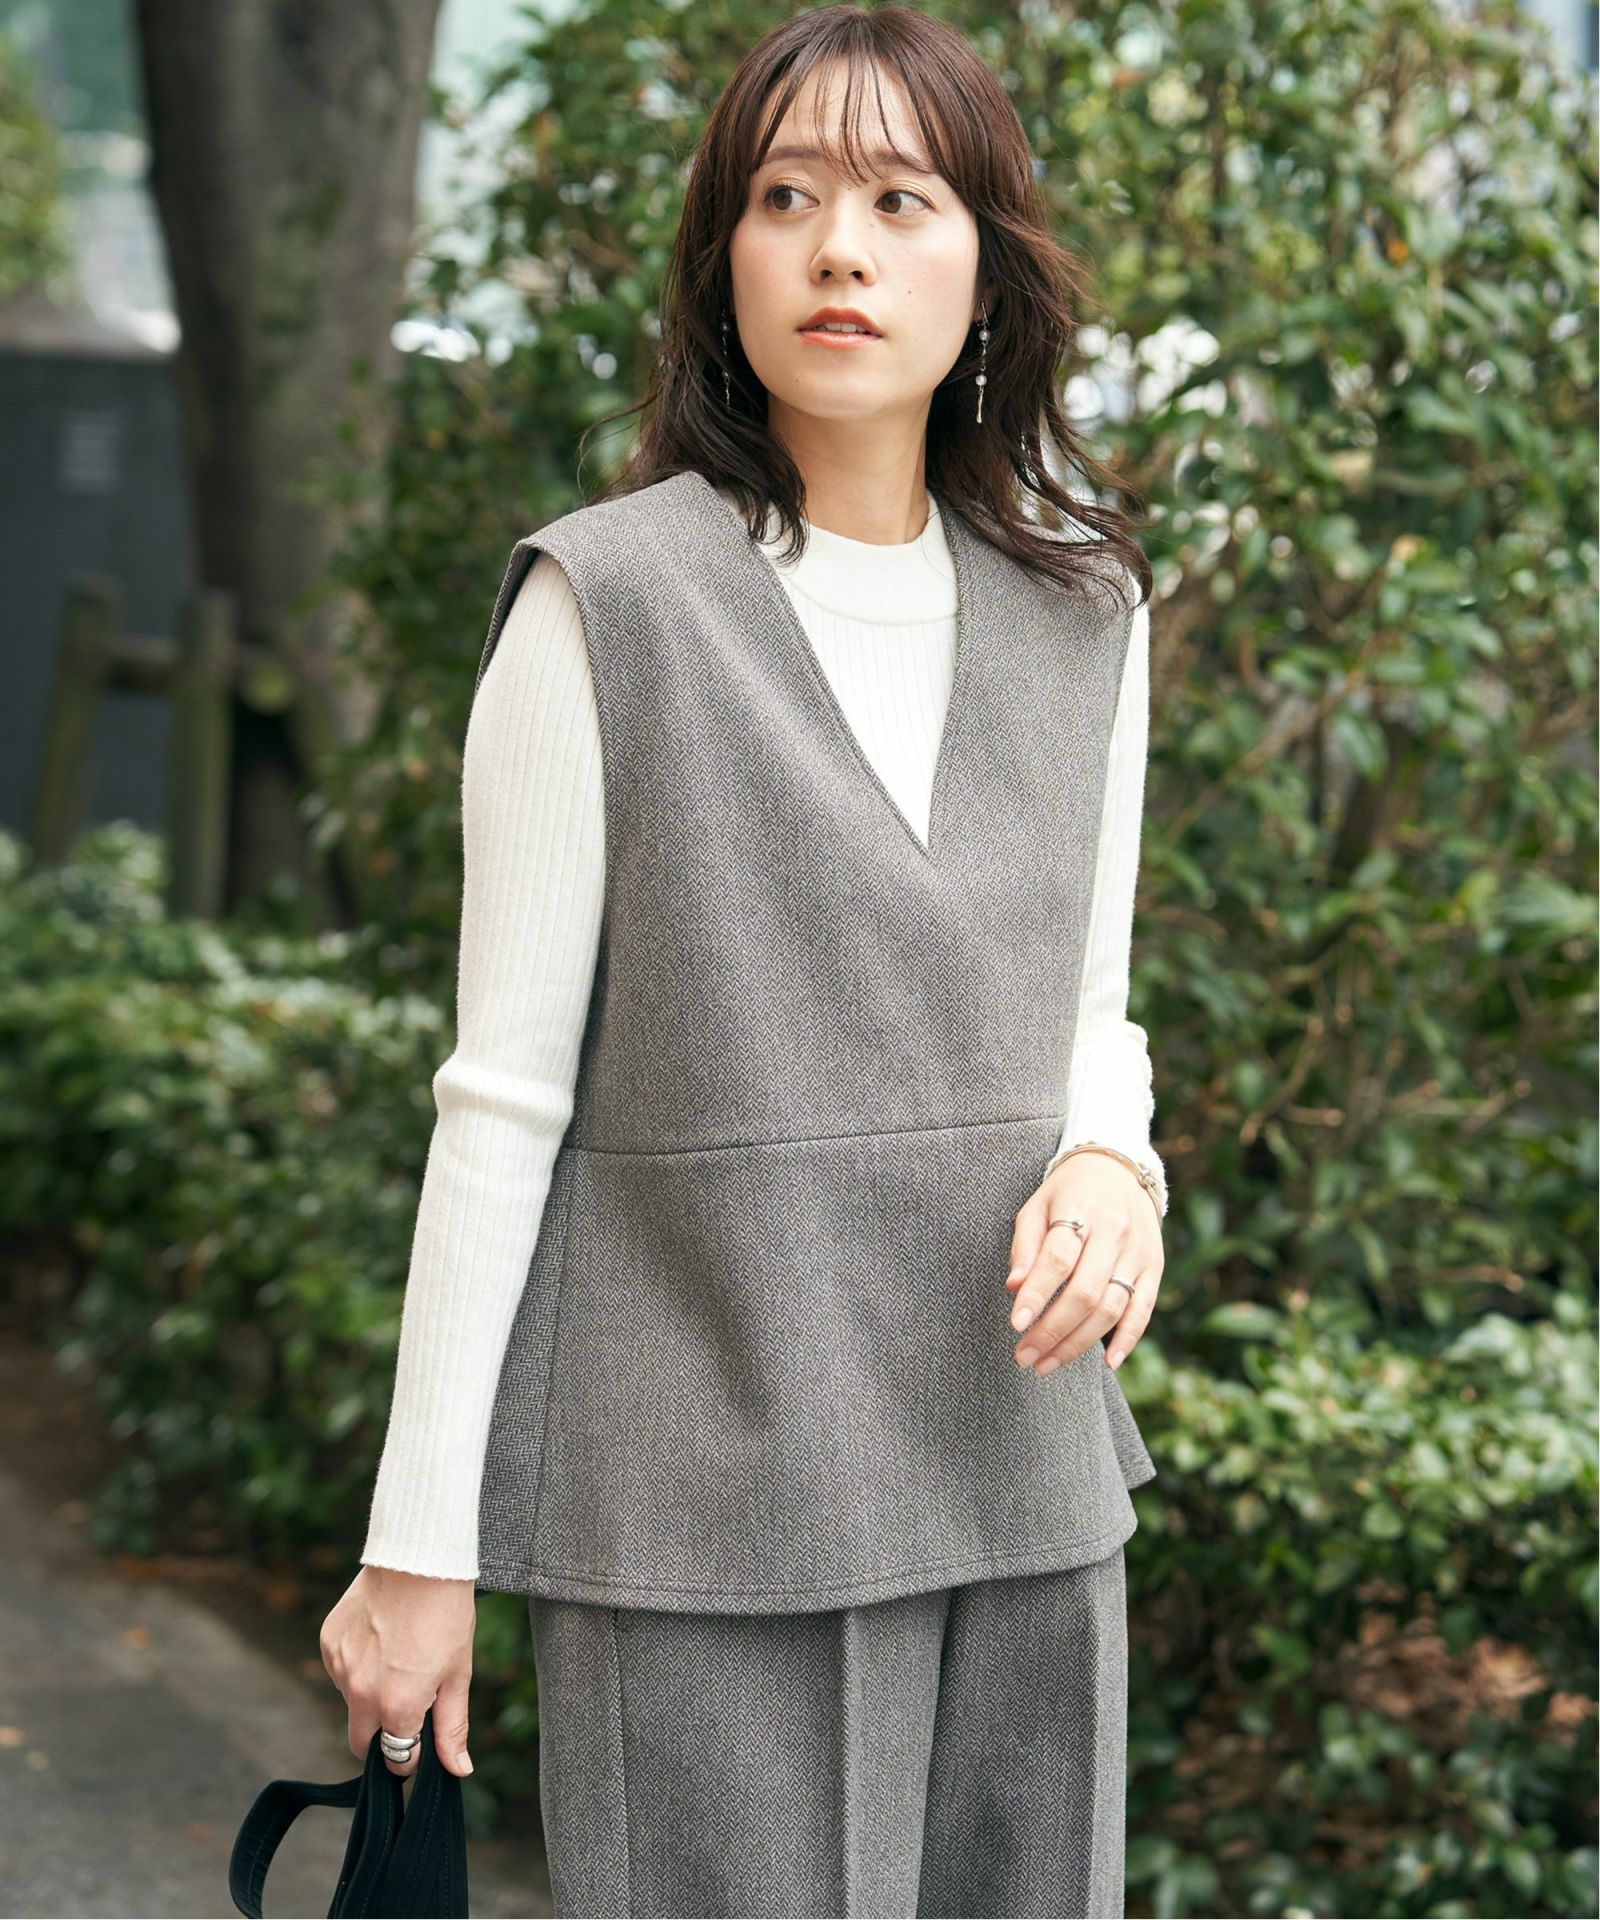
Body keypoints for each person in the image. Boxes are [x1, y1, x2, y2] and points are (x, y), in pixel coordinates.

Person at [319, 6, 1167, 1915]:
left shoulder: (1087, 611)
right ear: (724, 263)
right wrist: (419, 1547)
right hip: (695, 1493)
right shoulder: (605, 603)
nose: (837, 248)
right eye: (785, 199)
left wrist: (1119, 1164)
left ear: (988, 269)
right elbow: (500, 1104)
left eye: (899, 199)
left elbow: (1086, 1008)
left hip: (1020, 1465)